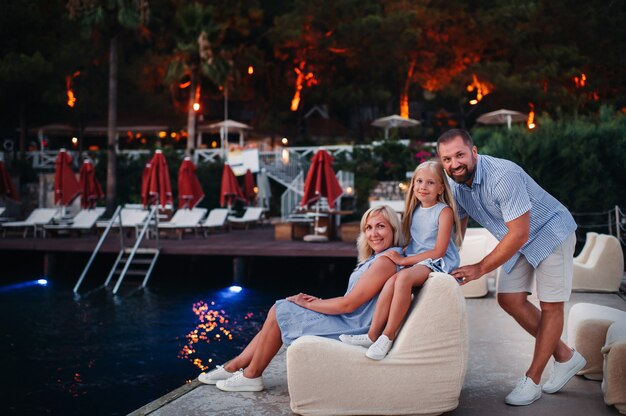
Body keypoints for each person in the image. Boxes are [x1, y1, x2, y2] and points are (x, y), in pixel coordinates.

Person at [436, 128, 584, 406]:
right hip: (519, 237)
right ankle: (566, 356)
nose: (454, 164)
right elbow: (457, 231)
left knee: (551, 305)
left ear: (474, 151)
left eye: (459, 155)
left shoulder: (503, 176)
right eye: (446, 159)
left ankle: (533, 379)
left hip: (551, 232)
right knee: (509, 299)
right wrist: (437, 262)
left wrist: (479, 268)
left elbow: (519, 233)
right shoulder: (455, 185)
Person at [197, 205, 404, 392]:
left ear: (393, 230)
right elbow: (352, 299)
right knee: (283, 309)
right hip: (350, 319)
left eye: (380, 226)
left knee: (281, 310)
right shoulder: (380, 258)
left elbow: (349, 304)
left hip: (355, 327)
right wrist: (316, 302)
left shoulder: (384, 262)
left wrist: (307, 303)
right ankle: (235, 366)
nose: (373, 233)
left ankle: (251, 374)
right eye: (368, 228)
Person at [339, 160, 462, 360]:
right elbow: (416, 241)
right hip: (418, 260)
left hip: (436, 262)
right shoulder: (414, 211)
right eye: (419, 181)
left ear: (441, 188)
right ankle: (372, 335)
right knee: (391, 281)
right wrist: (399, 253)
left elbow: (438, 250)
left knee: (403, 278)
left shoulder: (444, 211)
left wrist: (404, 261)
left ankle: (387, 336)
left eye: (430, 183)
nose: (423, 187)